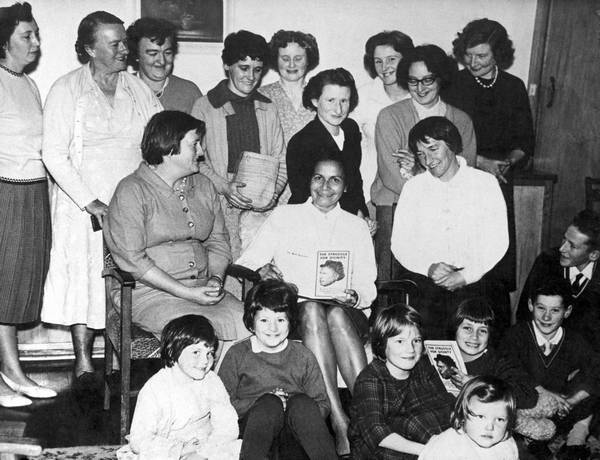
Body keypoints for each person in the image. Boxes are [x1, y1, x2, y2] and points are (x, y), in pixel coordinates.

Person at [41, 10, 162, 384]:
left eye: (125, 41)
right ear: (91, 49)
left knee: (128, 280)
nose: (125, 49)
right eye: (115, 43)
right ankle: (83, 363)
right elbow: (53, 154)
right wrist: (90, 201)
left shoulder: (137, 88)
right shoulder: (67, 88)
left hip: (131, 202)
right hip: (83, 205)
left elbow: (158, 138)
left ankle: (120, 361)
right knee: (86, 278)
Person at [236, 156, 377, 456]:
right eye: (318, 178)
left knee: (336, 314)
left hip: (347, 312)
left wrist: (355, 296)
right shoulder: (284, 216)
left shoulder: (356, 225)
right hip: (298, 311)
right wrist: (262, 271)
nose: (325, 187)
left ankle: (369, 415)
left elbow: (369, 285)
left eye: (335, 180)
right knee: (313, 310)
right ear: (309, 180)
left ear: (346, 186)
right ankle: (339, 418)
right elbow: (248, 260)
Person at [104, 111, 247, 345]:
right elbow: (134, 260)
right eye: (195, 144)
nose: (201, 152)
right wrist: (186, 293)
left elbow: (218, 243)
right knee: (200, 334)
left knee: (255, 326)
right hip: (149, 295)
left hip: (201, 290)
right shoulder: (131, 190)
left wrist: (216, 281)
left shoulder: (203, 186)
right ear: (169, 148)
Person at [391, 117, 508, 339]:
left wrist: (467, 275)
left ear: (452, 145)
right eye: (421, 154)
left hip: (476, 279)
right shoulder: (413, 188)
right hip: (428, 282)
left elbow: (497, 241)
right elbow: (400, 244)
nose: (428, 160)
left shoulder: (485, 184)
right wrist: (429, 267)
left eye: (434, 149)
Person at [444, 18, 535, 292]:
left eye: (481, 55)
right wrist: (481, 161)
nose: (473, 62)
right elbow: (446, 138)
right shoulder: (453, 85)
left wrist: (509, 162)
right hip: (462, 176)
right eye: (468, 55)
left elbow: (525, 141)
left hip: (499, 181)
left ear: (498, 54)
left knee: (494, 256)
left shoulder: (514, 86)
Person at [373, 44, 476, 281]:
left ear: (441, 78)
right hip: (396, 206)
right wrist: (432, 193)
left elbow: (465, 171)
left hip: (450, 212)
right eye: (412, 81)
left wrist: (417, 169)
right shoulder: (389, 116)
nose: (420, 89)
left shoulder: (461, 120)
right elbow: (391, 175)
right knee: (395, 283)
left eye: (428, 80)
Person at [0, 1, 56, 407]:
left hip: (33, 191)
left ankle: (12, 372)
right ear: (4, 42)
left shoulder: (27, 84)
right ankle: (9, 375)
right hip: (6, 191)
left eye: (36, 33)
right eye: (27, 35)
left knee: (19, 288)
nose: (36, 41)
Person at [191, 30, 286, 257]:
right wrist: (224, 186)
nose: (251, 76)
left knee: (260, 265)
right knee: (227, 264)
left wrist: (271, 195)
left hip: (261, 201)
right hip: (218, 200)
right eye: (243, 68)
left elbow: (280, 158)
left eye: (257, 69)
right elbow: (195, 159)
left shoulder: (268, 108)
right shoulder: (205, 106)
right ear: (227, 65)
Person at [218, 280, 337, 460]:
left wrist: (289, 406)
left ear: (290, 322)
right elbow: (221, 406)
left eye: (280, 320)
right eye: (264, 320)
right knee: (269, 404)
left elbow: (322, 405)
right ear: (251, 323)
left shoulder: (303, 355)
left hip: (294, 435)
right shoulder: (237, 354)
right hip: (254, 434)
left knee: (302, 404)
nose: (273, 328)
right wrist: (266, 401)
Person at [500, 278, 600, 460]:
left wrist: (572, 400)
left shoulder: (574, 340)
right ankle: (530, 439)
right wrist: (541, 391)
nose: (546, 317)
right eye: (541, 308)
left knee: (592, 381)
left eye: (555, 310)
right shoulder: (516, 335)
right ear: (530, 305)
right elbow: (509, 369)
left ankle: (577, 434)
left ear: (567, 311)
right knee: (507, 385)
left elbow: (595, 369)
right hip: (528, 403)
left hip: (562, 407)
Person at [117, 315, 241, 460]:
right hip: (167, 450)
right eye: (196, 352)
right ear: (172, 352)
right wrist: (180, 450)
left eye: (210, 353)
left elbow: (227, 425)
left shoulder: (212, 380)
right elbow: (140, 440)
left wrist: (203, 452)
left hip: (204, 447)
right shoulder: (155, 388)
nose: (205, 361)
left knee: (241, 448)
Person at [348, 304, 454, 459]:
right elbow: (376, 431)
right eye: (400, 341)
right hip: (380, 445)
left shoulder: (424, 368)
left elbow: (444, 406)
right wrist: (427, 450)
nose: (410, 349)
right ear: (382, 345)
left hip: (417, 435)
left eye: (416, 340)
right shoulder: (370, 379)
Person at [449, 298, 558, 442]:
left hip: (498, 417)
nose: (474, 337)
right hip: (466, 421)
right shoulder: (444, 355)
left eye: (482, 330)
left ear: (490, 334)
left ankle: (513, 424)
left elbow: (528, 397)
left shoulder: (498, 360)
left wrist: (478, 384)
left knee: (547, 407)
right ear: (455, 329)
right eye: (467, 328)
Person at [286, 67, 376, 235]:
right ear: (314, 101)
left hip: (348, 217)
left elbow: (354, 178)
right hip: (311, 223)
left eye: (344, 101)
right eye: (330, 100)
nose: (338, 109)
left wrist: (362, 213)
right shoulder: (302, 141)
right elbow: (305, 195)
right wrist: (351, 218)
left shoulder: (350, 129)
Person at [516, 210, 600, 352]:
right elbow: (524, 314)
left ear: (593, 255)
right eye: (564, 239)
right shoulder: (546, 262)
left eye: (572, 246)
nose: (562, 248)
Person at [353, 30, 414, 206]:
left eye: (391, 59)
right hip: (371, 193)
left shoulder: (420, 94)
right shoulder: (362, 96)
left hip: (414, 189)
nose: (384, 67)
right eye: (378, 61)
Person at [259, 29, 319, 205]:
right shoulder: (262, 96)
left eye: (298, 58)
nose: (291, 64)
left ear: (308, 60)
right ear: (275, 60)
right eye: (285, 58)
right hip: (273, 184)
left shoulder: (321, 95)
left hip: (313, 184)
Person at [419, 376, 519, 460]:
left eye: (499, 419)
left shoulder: (506, 444)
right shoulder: (445, 447)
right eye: (480, 417)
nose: (490, 427)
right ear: (462, 415)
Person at [126, 17, 202, 114]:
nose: (162, 61)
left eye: (167, 53)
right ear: (136, 55)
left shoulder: (189, 92)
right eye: (153, 54)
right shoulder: (123, 88)